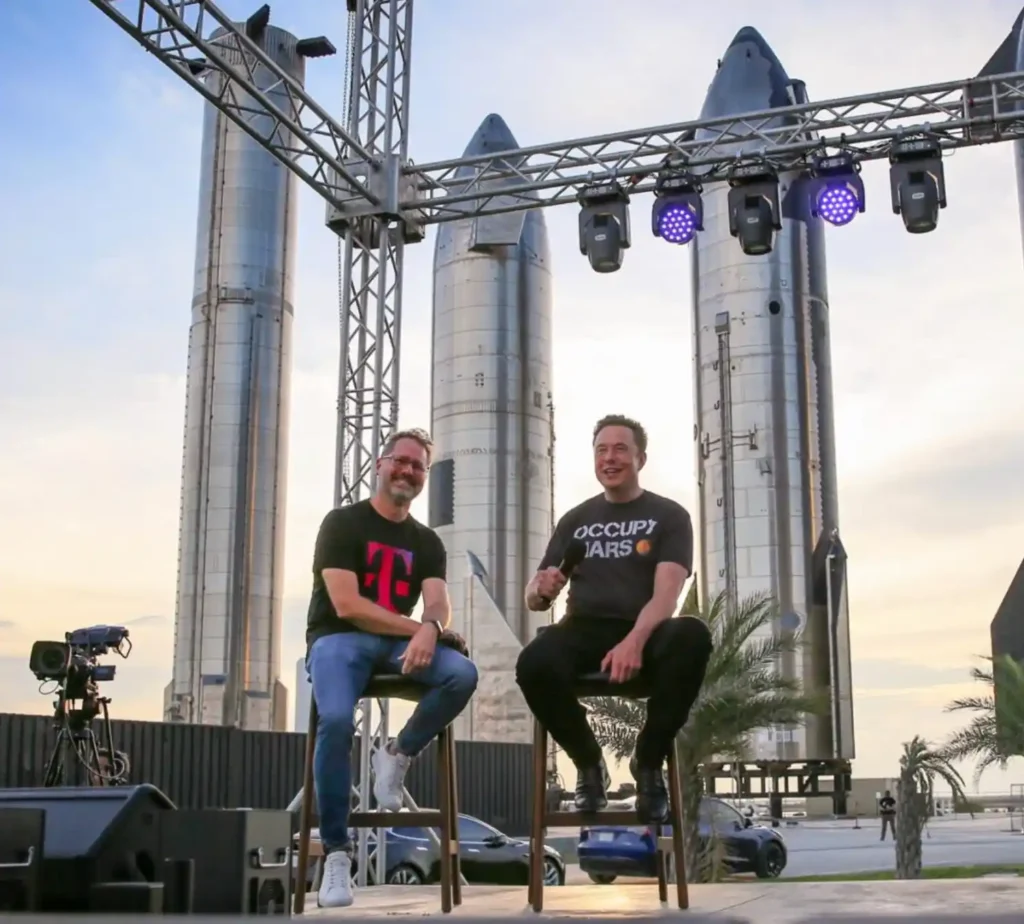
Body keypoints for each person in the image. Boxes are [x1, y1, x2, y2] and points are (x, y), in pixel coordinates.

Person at [305, 428, 479, 908]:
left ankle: (397, 754)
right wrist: (419, 629)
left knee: (462, 674)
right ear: (380, 465)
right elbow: (346, 604)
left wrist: (431, 627)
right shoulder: (342, 523)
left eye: (417, 465)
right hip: (339, 640)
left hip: (396, 646)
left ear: (424, 475)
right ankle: (338, 855)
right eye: (399, 461)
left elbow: (439, 602)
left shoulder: (425, 541)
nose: (407, 471)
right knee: (336, 720)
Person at [515, 414, 713, 825]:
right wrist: (542, 589)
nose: (610, 458)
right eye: (602, 450)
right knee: (534, 662)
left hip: (647, 630)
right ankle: (589, 764)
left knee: (692, 635)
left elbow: (667, 595)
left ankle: (648, 763)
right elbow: (536, 597)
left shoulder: (669, 516)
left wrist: (635, 640)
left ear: (640, 457)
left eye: (620, 449)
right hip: (583, 629)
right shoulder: (576, 520)